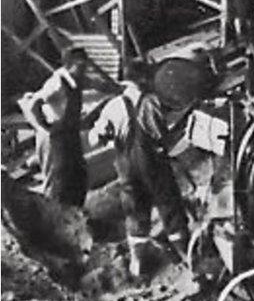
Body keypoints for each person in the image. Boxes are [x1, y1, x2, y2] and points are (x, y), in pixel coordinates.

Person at [89, 62, 189, 278]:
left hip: (127, 168)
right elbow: (162, 137)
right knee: (170, 210)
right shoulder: (152, 103)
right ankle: (186, 257)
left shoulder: (113, 106)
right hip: (154, 165)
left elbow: (94, 139)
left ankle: (137, 264)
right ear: (144, 79)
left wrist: (110, 138)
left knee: (136, 214)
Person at [22, 46, 107, 207]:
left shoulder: (78, 78)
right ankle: (54, 217)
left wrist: (121, 88)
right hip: (55, 138)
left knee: (78, 175)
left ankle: (76, 212)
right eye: (80, 65)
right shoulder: (57, 82)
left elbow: (100, 85)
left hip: (70, 135)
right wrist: (44, 126)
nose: (84, 68)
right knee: (59, 181)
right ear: (68, 65)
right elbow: (34, 104)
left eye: (85, 64)